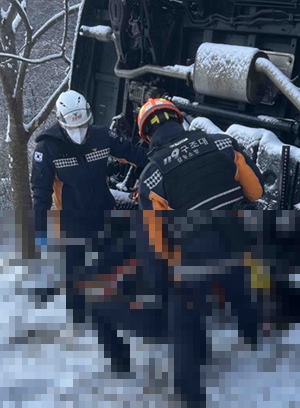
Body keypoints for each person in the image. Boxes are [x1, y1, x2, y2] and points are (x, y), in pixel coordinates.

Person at [31, 89, 146, 328]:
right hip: (72, 221)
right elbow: (40, 195)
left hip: (105, 212)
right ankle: (78, 318)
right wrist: (39, 236)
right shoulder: (46, 148)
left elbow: (136, 155)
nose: (79, 132)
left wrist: (155, 170)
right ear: (61, 122)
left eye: (82, 125)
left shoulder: (102, 136)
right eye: (73, 127)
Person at [135, 98, 264, 209]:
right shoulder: (223, 144)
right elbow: (256, 191)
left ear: (148, 137)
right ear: (179, 120)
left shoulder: (151, 179)